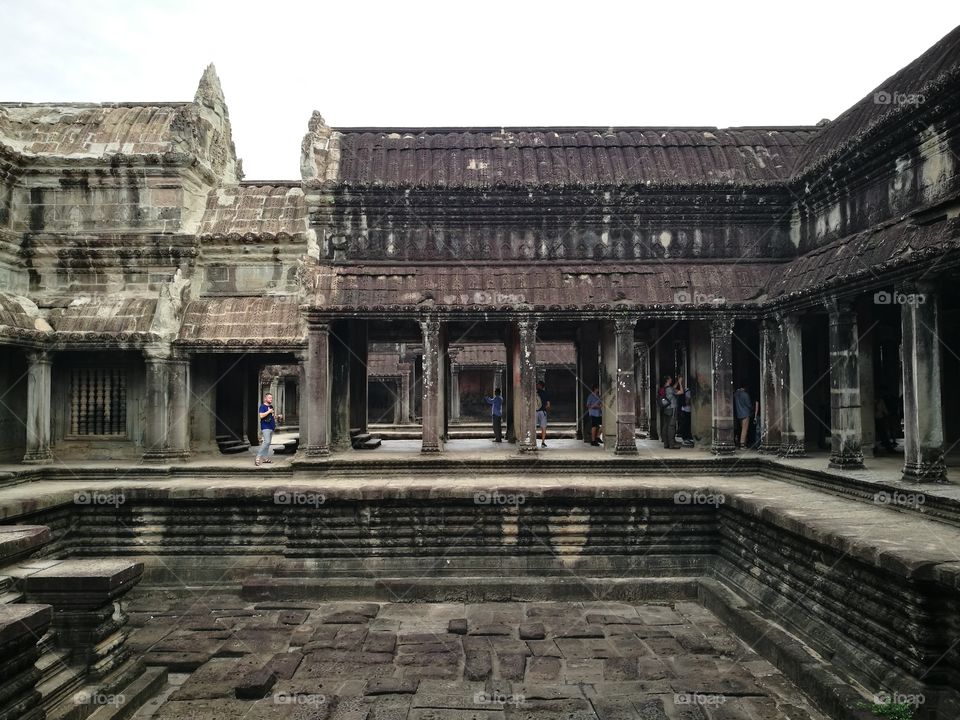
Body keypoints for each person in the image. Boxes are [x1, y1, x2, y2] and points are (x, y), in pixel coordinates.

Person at [256, 393, 281, 467]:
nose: (271, 399)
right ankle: (258, 457)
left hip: (271, 427)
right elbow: (261, 416)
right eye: (269, 398)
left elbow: (272, 416)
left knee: (268, 443)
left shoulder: (271, 406)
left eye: (271, 398)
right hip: (265, 426)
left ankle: (265, 458)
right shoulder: (262, 406)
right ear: (265, 399)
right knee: (266, 442)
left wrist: (277, 416)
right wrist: (269, 411)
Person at [660, 375, 680, 449]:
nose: (672, 379)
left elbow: (673, 389)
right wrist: (680, 383)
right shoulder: (671, 389)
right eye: (670, 378)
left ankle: (666, 443)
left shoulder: (664, 388)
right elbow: (681, 392)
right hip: (672, 408)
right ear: (668, 380)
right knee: (671, 426)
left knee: (666, 425)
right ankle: (672, 444)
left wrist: (677, 382)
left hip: (666, 409)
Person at [676, 375, 694, 447]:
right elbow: (687, 402)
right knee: (687, 424)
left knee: (684, 424)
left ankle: (684, 436)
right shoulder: (688, 391)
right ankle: (687, 437)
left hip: (683, 409)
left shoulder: (685, 390)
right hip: (687, 410)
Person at [733, 385, 752, 450]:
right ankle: (742, 445)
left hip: (739, 413)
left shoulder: (736, 394)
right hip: (745, 413)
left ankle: (741, 443)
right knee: (744, 430)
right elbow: (749, 404)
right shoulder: (745, 395)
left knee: (741, 429)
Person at [536, 380, 551, 448]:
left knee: (533, 427)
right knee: (543, 428)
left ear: (539, 385)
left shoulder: (535, 393)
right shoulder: (546, 393)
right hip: (543, 412)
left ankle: (532, 441)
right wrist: (547, 410)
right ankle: (543, 442)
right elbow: (548, 405)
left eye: (537, 384)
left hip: (535, 412)